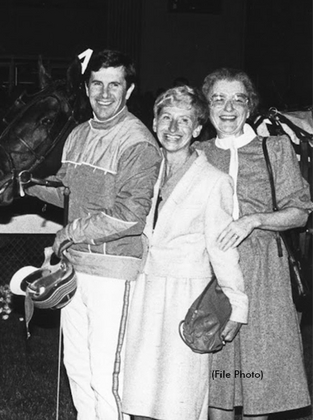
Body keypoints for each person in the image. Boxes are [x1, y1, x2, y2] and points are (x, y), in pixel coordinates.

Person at [25, 49, 162, 419]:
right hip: (75, 269)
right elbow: (71, 196)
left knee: (106, 375)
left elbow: (130, 216)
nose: (104, 94)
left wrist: (70, 232)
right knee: (77, 367)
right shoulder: (78, 135)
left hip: (112, 271)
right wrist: (28, 186)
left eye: (114, 85)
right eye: (97, 84)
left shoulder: (137, 141)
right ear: (86, 89)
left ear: (129, 90)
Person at [121, 86, 248, 420]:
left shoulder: (213, 181)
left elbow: (222, 248)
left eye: (184, 121)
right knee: (137, 395)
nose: (173, 129)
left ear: (196, 129)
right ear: (154, 122)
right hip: (143, 292)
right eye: (166, 118)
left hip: (186, 298)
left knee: (179, 400)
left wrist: (237, 304)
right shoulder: (143, 173)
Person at [196, 68, 313, 420]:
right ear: (207, 107)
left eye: (238, 99)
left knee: (257, 384)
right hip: (210, 274)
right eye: (219, 98)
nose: (228, 107)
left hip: (265, 274)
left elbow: (301, 213)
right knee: (217, 380)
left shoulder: (272, 148)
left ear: (250, 107)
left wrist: (254, 219)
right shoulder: (197, 153)